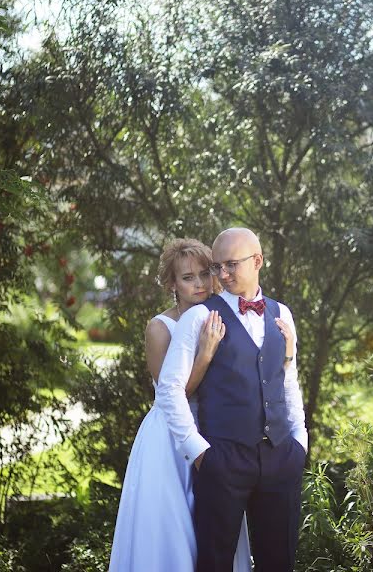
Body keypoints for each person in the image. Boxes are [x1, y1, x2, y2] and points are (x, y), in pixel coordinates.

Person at [156, 228, 307, 572]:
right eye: (218, 267)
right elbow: (169, 389)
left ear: (257, 262)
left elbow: (288, 381)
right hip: (222, 459)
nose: (222, 275)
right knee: (214, 563)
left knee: (278, 562)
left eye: (231, 265)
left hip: (280, 456)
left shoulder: (282, 312)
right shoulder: (197, 317)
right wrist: (198, 452)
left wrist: (300, 441)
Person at [109, 238, 256, 571]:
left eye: (205, 274)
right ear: (172, 283)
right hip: (169, 440)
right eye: (188, 277)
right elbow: (171, 395)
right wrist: (205, 354)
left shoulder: (224, 318)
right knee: (172, 531)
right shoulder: (160, 328)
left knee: (217, 528)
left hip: (214, 430)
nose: (200, 284)